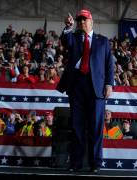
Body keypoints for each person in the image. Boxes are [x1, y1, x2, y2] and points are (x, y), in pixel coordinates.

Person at [56, 9, 114, 173]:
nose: (81, 22)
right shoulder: (73, 37)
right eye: (79, 20)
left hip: (97, 88)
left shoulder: (103, 41)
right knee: (77, 127)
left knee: (96, 128)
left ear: (91, 21)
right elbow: (65, 41)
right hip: (76, 86)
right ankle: (75, 163)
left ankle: (95, 163)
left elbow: (109, 64)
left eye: (85, 19)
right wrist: (68, 27)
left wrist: (109, 84)